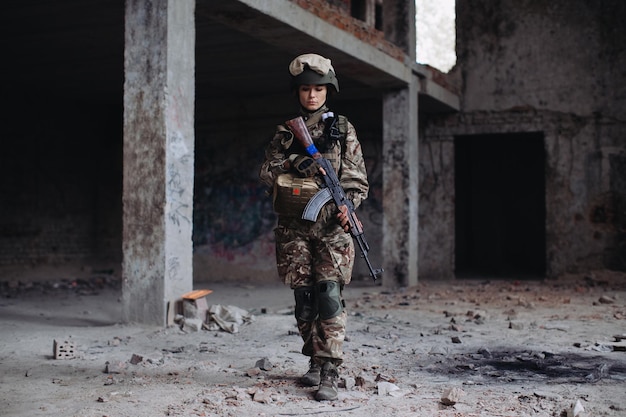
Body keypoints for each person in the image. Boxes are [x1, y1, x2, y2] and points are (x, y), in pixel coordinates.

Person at [259, 53, 369, 401]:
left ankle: (330, 369)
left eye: (318, 89)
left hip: (332, 231)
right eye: (306, 89)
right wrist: (296, 159)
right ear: (298, 92)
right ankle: (314, 361)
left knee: (329, 296)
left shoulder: (343, 129)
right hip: (295, 229)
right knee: (304, 299)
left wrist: (347, 206)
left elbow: (357, 180)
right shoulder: (285, 132)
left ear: (328, 90)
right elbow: (267, 174)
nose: (312, 95)